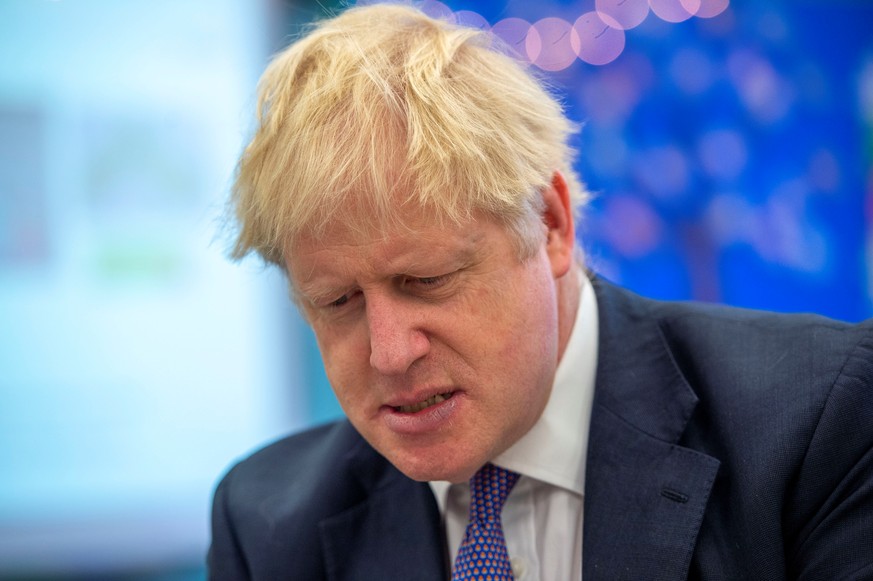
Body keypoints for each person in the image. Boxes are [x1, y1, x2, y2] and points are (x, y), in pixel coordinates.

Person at [208, 3, 873, 579]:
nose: (388, 353)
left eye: (427, 280)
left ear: (550, 222)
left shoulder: (818, 422)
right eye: (337, 302)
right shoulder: (265, 520)